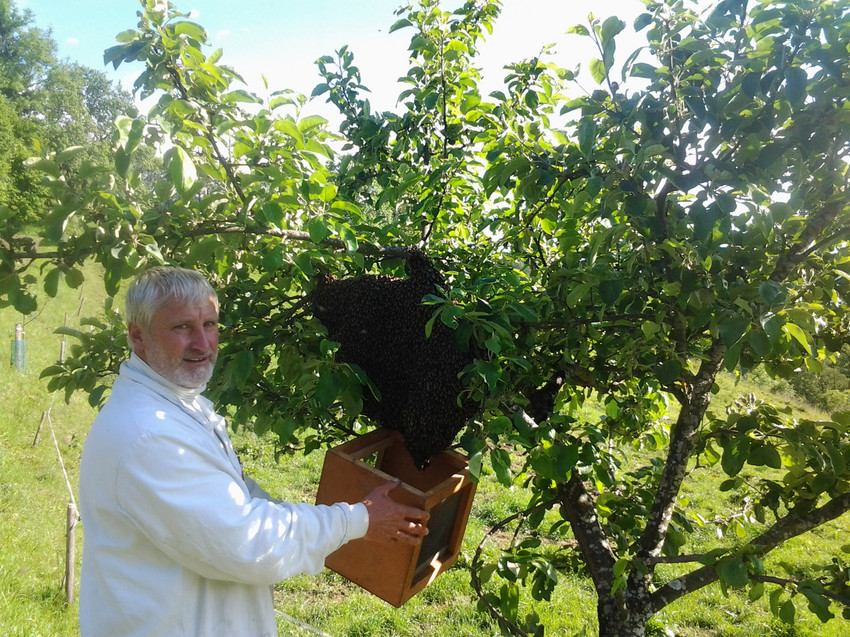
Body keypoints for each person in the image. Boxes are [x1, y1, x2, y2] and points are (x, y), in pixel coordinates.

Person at [78, 266, 429, 637]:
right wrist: (357, 519)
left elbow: (234, 495)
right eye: (182, 327)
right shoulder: (148, 434)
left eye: (210, 324)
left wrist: (333, 520)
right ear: (138, 336)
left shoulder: (177, 405)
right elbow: (246, 543)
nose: (202, 343)